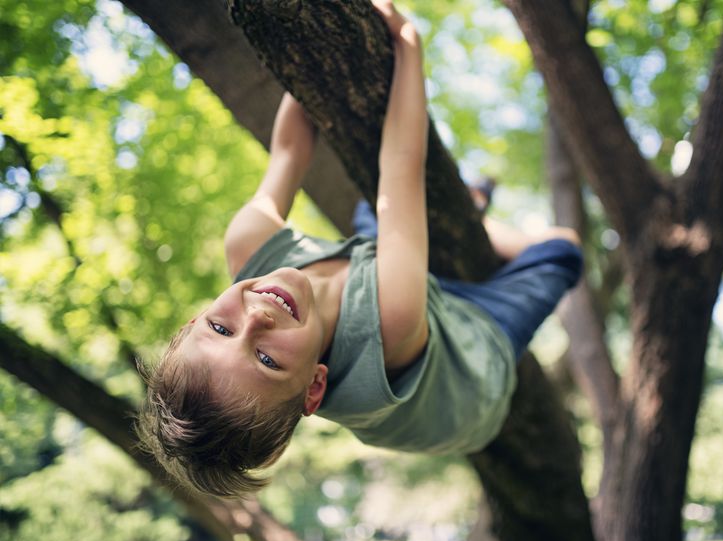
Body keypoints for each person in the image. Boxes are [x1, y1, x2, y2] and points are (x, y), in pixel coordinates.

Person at [137, 0, 582, 498]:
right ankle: (474, 220)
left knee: (374, 215)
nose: (255, 320)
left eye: (220, 328)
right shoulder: (387, 322)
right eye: (266, 360)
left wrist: (302, 58)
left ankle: (450, 221)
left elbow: (289, 151)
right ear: (314, 387)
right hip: (471, 368)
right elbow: (401, 161)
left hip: (399, 285)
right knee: (563, 250)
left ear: (193, 321)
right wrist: (408, 45)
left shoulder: (249, 246)